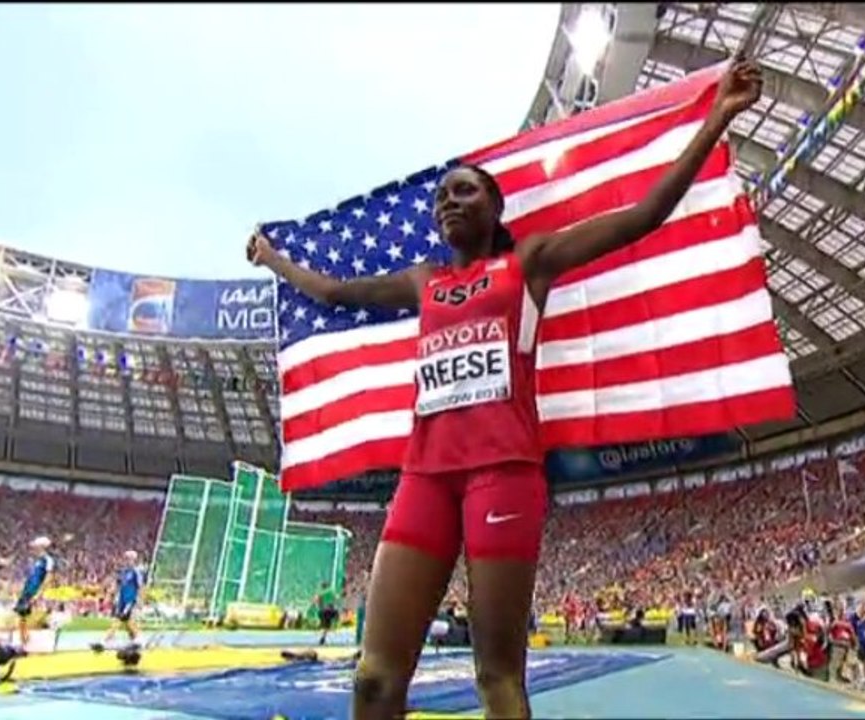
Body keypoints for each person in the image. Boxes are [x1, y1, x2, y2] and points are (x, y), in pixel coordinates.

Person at [247, 58, 763, 720]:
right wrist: (273, 259)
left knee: (496, 678)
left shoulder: (529, 262)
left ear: (496, 208)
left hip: (504, 475)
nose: (448, 201)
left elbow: (643, 216)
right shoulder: (424, 281)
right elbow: (332, 292)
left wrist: (716, 117)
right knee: (373, 679)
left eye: (465, 191)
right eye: (442, 196)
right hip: (424, 478)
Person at [93, 550, 145, 652]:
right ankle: (136, 640)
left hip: (130, 600)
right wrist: (109, 596)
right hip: (122, 601)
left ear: (134, 560)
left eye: (129, 559)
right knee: (127, 622)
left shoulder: (136, 572)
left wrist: (140, 600)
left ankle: (105, 640)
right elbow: (117, 585)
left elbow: (140, 587)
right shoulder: (123, 572)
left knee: (119, 620)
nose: (127, 561)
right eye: (126, 559)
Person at [12, 536, 56, 650]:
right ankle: (24, 640)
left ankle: (25, 641)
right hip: (27, 589)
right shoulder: (37, 561)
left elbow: (49, 577)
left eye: (36, 546)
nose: (34, 549)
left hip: (34, 590)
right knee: (21, 615)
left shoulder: (48, 560)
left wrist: (39, 593)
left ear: (42, 547)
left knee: (23, 614)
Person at [313, 581, 340, 646]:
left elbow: (315, 600)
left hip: (323, 611)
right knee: (333, 618)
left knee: (325, 625)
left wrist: (318, 604)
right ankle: (334, 623)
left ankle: (323, 636)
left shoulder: (320, 592)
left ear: (322, 587)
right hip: (330, 610)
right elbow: (337, 598)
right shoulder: (331, 591)